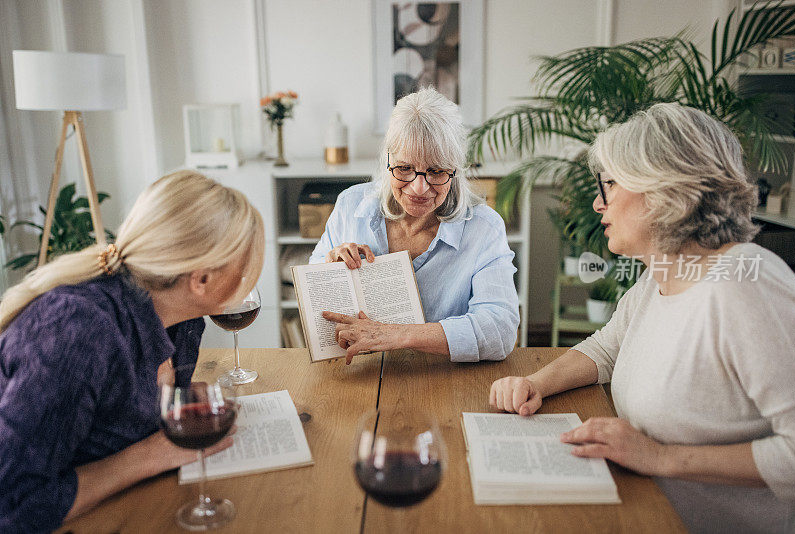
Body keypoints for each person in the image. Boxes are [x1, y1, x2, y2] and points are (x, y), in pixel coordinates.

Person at [489, 103, 795, 533]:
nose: (598, 203)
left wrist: (659, 457)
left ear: (663, 188)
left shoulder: (745, 285)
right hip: (644, 509)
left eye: (610, 184)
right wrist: (535, 384)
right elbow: (605, 348)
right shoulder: (665, 272)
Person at [0, 171, 265, 532]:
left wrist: (179, 402)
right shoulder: (77, 330)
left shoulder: (184, 321)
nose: (249, 278)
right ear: (201, 280)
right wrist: (150, 455)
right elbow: (14, 503)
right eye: (245, 266)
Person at [310, 87, 519, 363]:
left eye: (436, 171)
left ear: (455, 170)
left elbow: (500, 330)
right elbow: (312, 298)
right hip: (360, 370)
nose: (419, 188)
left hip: (442, 378)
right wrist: (329, 269)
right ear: (388, 160)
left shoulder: (484, 228)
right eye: (405, 168)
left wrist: (396, 335)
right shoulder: (350, 206)